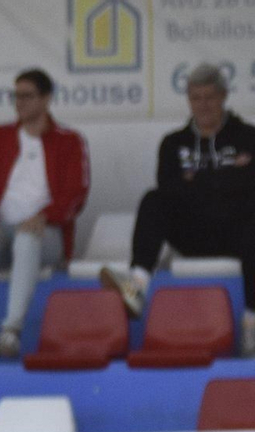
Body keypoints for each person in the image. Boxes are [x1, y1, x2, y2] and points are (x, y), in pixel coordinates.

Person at [102, 64, 255, 355]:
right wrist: (229, 175)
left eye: (210, 97)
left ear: (223, 97)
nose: (203, 105)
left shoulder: (248, 137)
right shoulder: (173, 143)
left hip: (239, 233)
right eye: (196, 98)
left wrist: (196, 180)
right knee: (153, 200)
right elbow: (169, 188)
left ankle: (252, 322)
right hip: (192, 233)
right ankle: (137, 286)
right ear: (188, 100)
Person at [0, 68, 90, 362]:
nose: (19, 102)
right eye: (16, 95)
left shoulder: (69, 140)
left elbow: (76, 193)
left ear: (46, 99)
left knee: (27, 240)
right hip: (0, 227)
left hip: (46, 232)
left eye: (27, 96)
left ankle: (11, 330)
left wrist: (45, 216)